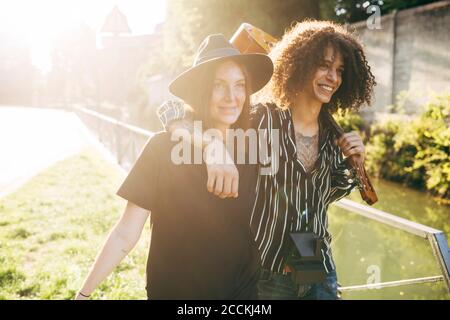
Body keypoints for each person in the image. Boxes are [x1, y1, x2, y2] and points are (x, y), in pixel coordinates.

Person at [159, 20, 376, 300]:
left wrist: (355, 162)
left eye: (340, 71)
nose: (333, 77)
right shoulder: (260, 120)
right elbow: (171, 108)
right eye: (324, 65)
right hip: (265, 276)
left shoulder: (336, 138)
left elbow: (319, 199)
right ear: (301, 64)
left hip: (317, 270)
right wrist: (210, 145)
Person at [75, 34, 273, 300]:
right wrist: (84, 294)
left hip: (243, 295)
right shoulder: (162, 148)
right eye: (219, 85)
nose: (231, 96)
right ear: (201, 89)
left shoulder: (255, 147)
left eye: (239, 85)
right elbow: (125, 233)